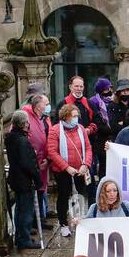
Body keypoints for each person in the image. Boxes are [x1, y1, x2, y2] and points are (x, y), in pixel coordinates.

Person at [47, 102, 93, 238]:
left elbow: (88, 148)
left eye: (77, 116)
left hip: (80, 170)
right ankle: (63, 224)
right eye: (73, 116)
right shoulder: (55, 130)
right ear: (65, 117)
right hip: (62, 171)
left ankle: (79, 220)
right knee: (64, 195)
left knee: (81, 194)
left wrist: (86, 164)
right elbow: (52, 151)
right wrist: (66, 167)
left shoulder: (81, 129)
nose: (76, 118)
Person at [5, 110, 41, 250]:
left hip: (16, 178)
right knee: (25, 211)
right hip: (24, 180)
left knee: (19, 209)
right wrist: (37, 178)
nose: (28, 124)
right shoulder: (22, 140)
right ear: (23, 124)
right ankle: (24, 239)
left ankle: (20, 236)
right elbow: (28, 164)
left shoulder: (11, 137)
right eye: (27, 122)